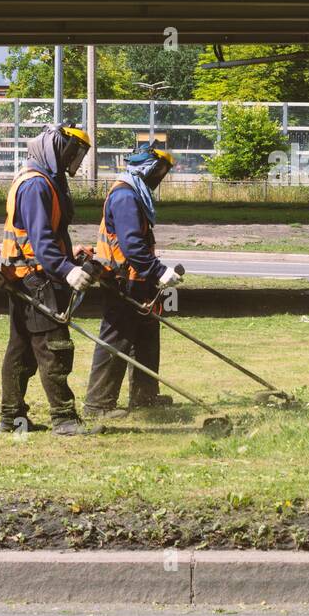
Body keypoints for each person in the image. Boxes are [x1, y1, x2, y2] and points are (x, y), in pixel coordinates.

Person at [0, 124, 99, 435]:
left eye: (80, 153)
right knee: (53, 347)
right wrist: (67, 270)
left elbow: (50, 236)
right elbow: (41, 243)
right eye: (73, 151)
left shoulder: (44, 180)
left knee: (22, 349)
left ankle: (12, 420)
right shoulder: (36, 185)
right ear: (55, 147)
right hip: (36, 279)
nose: (76, 158)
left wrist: (72, 257)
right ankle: (64, 420)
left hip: (29, 275)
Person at [83, 143, 182, 419]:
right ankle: (98, 405)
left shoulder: (136, 193)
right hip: (123, 279)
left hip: (139, 280)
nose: (159, 177)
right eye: (159, 171)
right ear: (147, 168)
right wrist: (159, 271)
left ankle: (144, 396)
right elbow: (132, 245)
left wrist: (150, 275)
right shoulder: (126, 196)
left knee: (146, 337)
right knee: (116, 340)